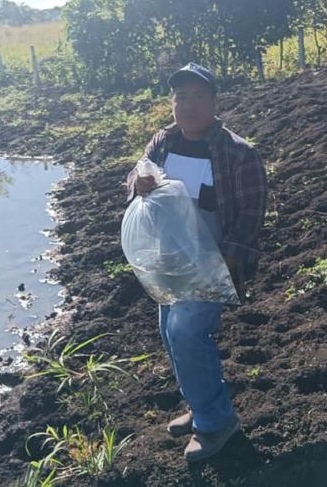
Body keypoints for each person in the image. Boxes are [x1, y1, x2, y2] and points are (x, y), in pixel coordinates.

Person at [124, 62, 268, 461]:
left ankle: (216, 423)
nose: (188, 106)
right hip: (169, 260)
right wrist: (138, 183)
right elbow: (137, 176)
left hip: (209, 264)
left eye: (198, 97)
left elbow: (252, 212)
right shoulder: (163, 142)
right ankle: (201, 404)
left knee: (187, 333)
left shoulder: (238, 153)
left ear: (215, 102)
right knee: (171, 333)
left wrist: (228, 259)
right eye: (181, 98)